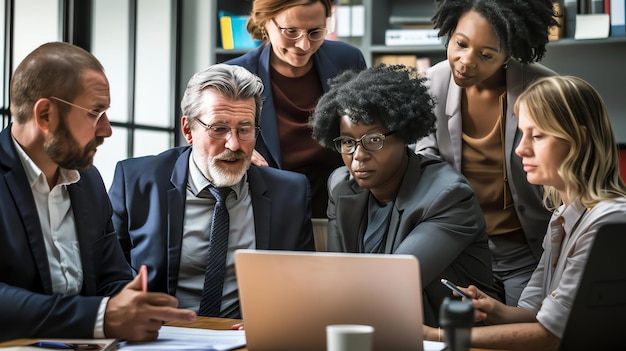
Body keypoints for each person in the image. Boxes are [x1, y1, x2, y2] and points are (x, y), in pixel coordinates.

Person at [0, 42, 196, 342]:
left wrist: (134, 302)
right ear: (46, 116)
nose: (106, 130)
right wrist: (101, 317)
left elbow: (111, 276)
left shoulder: (88, 181)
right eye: (95, 113)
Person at [424, 75, 626, 350]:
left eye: (538, 136)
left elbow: (550, 336)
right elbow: (535, 313)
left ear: (579, 139)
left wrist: (433, 335)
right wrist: (494, 310)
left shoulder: (608, 221)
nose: (521, 149)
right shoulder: (562, 215)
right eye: (522, 133)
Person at [109, 63, 315, 320]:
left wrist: (273, 321)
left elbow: (303, 287)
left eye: (245, 129)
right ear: (188, 130)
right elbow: (108, 274)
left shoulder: (290, 193)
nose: (234, 144)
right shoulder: (137, 181)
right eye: (219, 129)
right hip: (158, 334)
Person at [310, 64, 499, 327]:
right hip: (375, 329)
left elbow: (391, 287)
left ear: (404, 135)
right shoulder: (341, 186)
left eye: (373, 140)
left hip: (450, 335)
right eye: (347, 142)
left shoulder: (448, 196)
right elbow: (336, 278)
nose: (358, 156)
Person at [414, 0, 559, 306]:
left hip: (527, 252)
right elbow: (425, 167)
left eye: (486, 55)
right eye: (460, 44)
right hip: (461, 249)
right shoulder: (433, 84)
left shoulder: (543, 87)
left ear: (509, 54)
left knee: (523, 334)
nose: (466, 61)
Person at [225, 0, 366, 219]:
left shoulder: (347, 59)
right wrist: (230, 147)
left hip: (340, 209)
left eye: (315, 32)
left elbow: (363, 129)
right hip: (265, 213)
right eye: (291, 31)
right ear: (265, 22)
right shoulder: (233, 76)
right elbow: (204, 139)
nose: (304, 45)